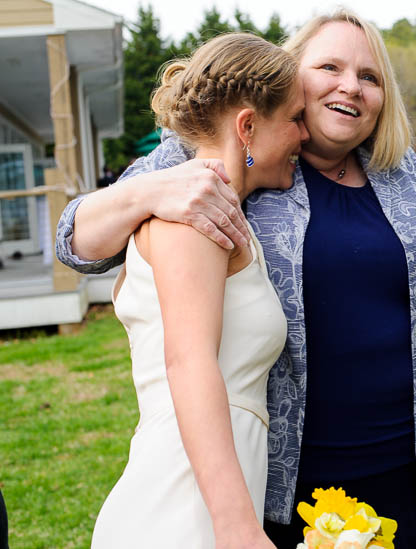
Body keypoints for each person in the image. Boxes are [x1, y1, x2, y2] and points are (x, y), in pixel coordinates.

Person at [56, 10, 416, 548]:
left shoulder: (394, 167)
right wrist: (145, 192)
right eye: (329, 66)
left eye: (370, 76)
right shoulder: (231, 150)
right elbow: (76, 243)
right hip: (295, 482)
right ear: (292, 73)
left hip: (411, 465)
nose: (350, 87)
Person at [87, 33, 305, 548]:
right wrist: (237, 527)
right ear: (247, 126)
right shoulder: (191, 216)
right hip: (184, 505)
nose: (305, 135)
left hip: (212, 494)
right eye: (295, 118)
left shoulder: (223, 210)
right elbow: (189, 362)